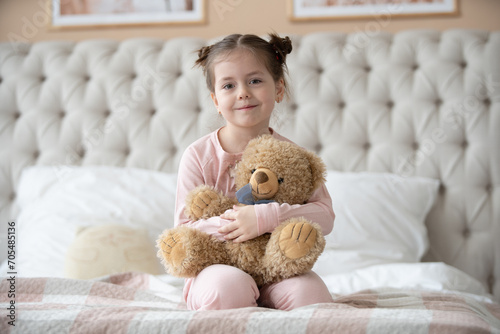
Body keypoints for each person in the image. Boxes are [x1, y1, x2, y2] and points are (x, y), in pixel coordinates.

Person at [175, 33, 335, 311]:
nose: (243, 92)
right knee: (227, 288)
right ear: (215, 100)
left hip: (277, 268)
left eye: (255, 81)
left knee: (311, 294)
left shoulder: (292, 156)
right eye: (228, 85)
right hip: (218, 268)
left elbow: (325, 216)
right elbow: (183, 231)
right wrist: (237, 223)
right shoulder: (198, 156)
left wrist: (266, 217)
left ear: (279, 88)